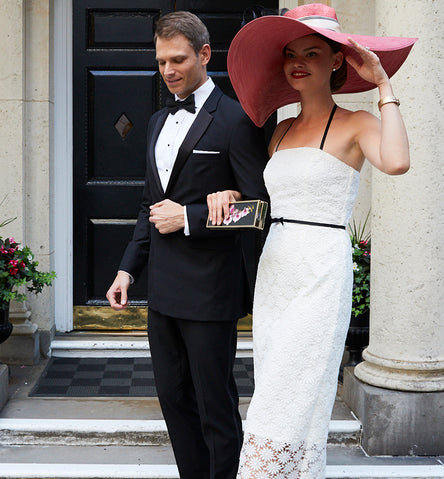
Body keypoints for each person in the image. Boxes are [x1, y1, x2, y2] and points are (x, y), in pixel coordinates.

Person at [207, 4, 417, 478]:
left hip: (321, 269)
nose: (297, 62)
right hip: (276, 269)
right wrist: (227, 194)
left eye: (312, 52)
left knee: (293, 390)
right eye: (290, 54)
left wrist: (383, 85)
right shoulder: (278, 132)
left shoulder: (357, 124)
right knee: (275, 385)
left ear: (338, 60)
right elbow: (265, 198)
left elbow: (398, 162)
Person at [106, 11, 269, 479]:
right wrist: (127, 270)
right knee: (174, 400)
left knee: (213, 403)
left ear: (204, 54)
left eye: (177, 59)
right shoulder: (158, 121)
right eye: (160, 62)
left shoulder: (237, 119)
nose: (168, 70)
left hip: (212, 290)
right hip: (163, 288)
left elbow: (260, 208)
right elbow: (148, 206)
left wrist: (192, 217)